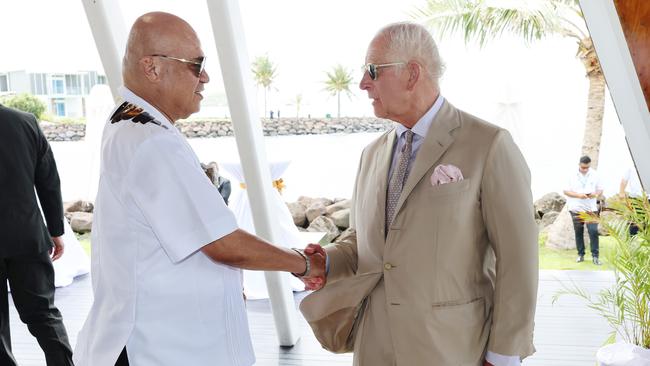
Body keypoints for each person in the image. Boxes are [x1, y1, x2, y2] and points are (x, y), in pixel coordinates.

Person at [73, 12, 324, 366]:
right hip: (160, 348)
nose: (205, 77)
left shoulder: (129, 124)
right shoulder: (151, 141)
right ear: (152, 68)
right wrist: (301, 263)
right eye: (196, 64)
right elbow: (223, 244)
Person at [301, 22, 538, 366]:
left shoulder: (488, 145)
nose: (362, 83)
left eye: (372, 71)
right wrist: (327, 259)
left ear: (412, 74)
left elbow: (519, 260)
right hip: (375, 347)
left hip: (453, 349)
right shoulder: (372, 154)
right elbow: (364, 242)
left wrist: (503, 354)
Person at [0, 104, 74, 365]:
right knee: (44, 314)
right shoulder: (26, 122)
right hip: (27, 236)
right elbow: (49, 180)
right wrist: (55, 230)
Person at [564, 155, 603, 265]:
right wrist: (578, 195)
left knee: (593, 231)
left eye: (587, 168)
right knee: (578, 231)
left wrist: (595, 194)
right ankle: (580, 254)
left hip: (591, 208)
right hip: (576, 208)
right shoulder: (571, 175)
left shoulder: (595, 174)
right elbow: (566, 191)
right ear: (579, 165)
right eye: (583, 167)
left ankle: (595, 256)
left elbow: (600, 189)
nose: (585, 169)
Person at [619, 165, 646, 235]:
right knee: (634, 223)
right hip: (636, 199)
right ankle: (633, 242)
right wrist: (621, 193)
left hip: (648, 198)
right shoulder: (631, 168)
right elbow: (623, 181)